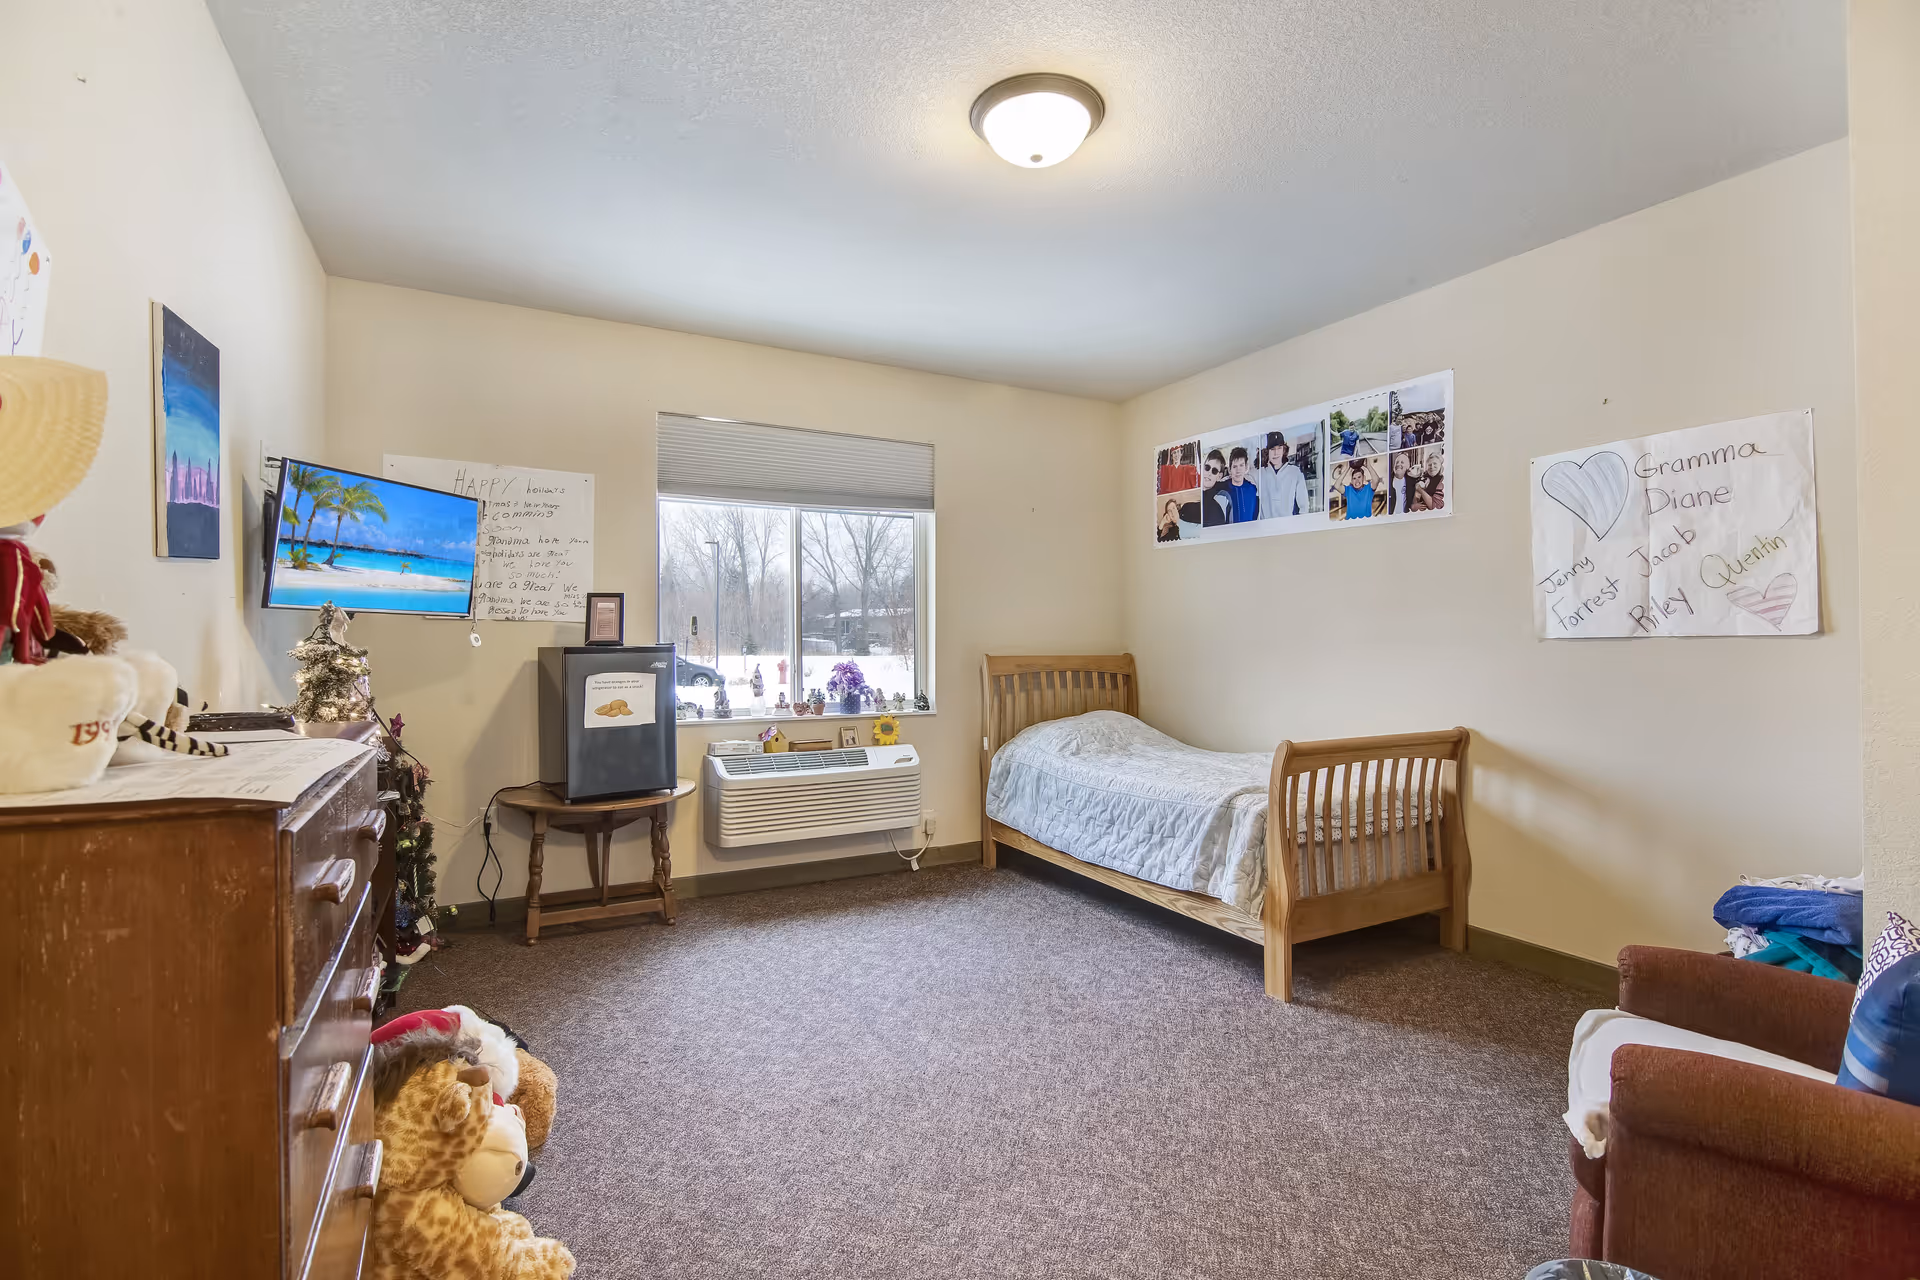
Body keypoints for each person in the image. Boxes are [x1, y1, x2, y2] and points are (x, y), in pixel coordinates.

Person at [1255, 432, 1307, 518]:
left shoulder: (1295, 472)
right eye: (1272, 449)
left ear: (1284, 450)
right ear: (1267, 451)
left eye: (1279, 448)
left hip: (1288, 527)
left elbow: (1304, 505)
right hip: (1266, 528)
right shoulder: (1260, 474)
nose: (1276, 453)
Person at [1225, 447, 1260, 522]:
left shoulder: (1253, 489)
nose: (1238, 470)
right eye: (1235, 467)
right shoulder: (1223, 489)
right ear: (1229, 470)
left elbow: (1255, 514)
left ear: (1246, 467)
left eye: (1241, 465)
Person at [1201, 449, 1232, 526]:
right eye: (1207, 468)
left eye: (1214, 471)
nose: (1209, 473)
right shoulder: (1193, 492)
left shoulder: (1223, 497)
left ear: (1219, 476)